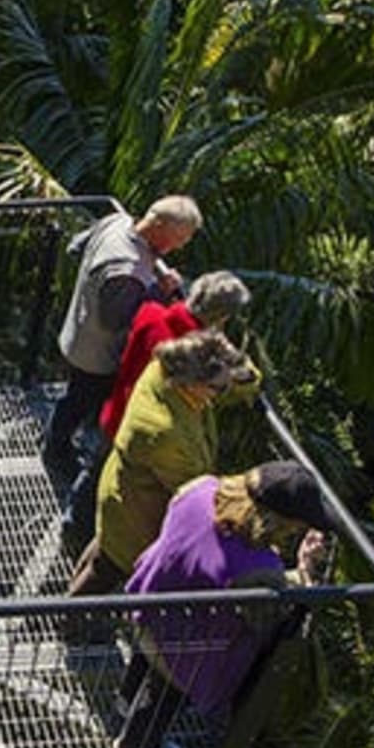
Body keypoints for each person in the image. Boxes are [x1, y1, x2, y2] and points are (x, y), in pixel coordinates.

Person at [110, 461, 334, 748]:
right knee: (163, 695)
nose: (294, 532)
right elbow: (264, 616)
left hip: (147, 602)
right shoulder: (259, 566)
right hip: (186, 644)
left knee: (144, 658)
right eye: (293, 525)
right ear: (275, 520)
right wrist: (305, 575)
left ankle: (123, 706)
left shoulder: (201, 488)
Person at [62, 271, 252, 548]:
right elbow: (218, 388)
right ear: (221, 317)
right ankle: (91, 537)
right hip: (141, 430)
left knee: (94, 471)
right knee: (121, 489)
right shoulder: (190, 355)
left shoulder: (152, 313)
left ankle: (73, 523)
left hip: (116, 411)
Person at [67, 328, 261, 596]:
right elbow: (198, 492)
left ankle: (70, 605)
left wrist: (244, 375)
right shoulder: (165, 433)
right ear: (193, 383)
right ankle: (69, 620)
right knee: (106, 568)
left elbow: (226, 378)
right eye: (218, 388)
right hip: (136, 515)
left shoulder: (167, 369)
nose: (222, 393)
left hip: (123, 495)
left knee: (103, 552)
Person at [43, 196, 202, 487]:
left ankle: (57, 442)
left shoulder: (116, 222)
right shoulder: (127, 269)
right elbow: (115, 319)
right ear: (158, 224)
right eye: (178, 238)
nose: (179, 247)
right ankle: (55, 451)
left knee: (74, 396)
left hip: (77, 332)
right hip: (97, 356)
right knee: (78, 401)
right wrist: (160, 291)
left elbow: (76, 246)